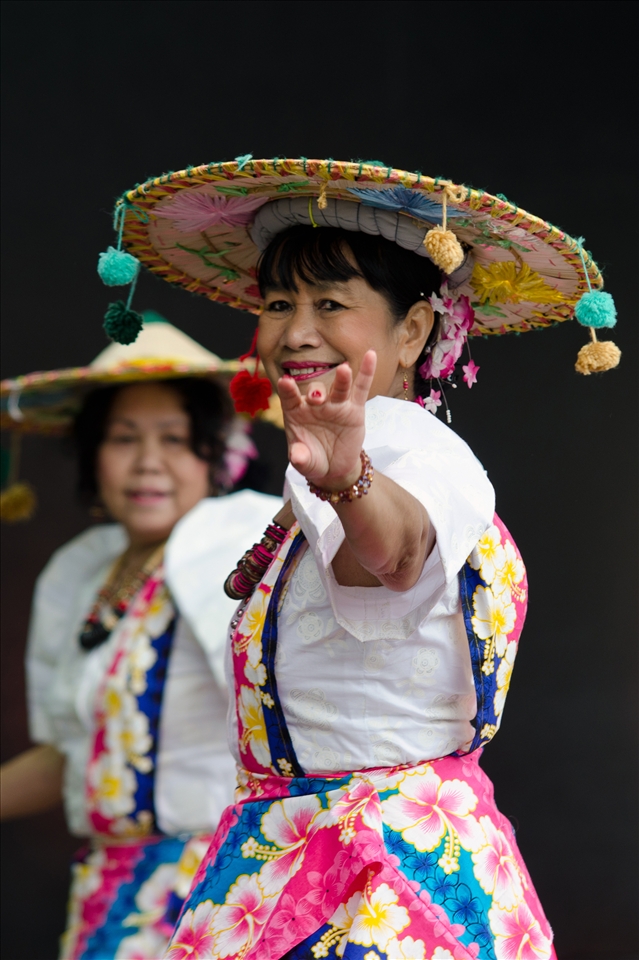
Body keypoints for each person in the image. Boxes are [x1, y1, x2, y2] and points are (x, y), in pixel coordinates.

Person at [97, 158, 620, 959]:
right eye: (279, 304)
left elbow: (396, 554)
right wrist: (336, 475)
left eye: (330, 304)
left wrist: (350, 481)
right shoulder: (339, 463)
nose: (295, 330)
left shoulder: (416, 457)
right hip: (302, 859)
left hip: (379, 883)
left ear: (411, 330)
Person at [0, 314, 282, 960]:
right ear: (92, 454)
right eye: (123, 438)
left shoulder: (240, 552)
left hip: (216, 893)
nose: (147, 463)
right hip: (107, 893)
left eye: (175, 439)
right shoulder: (82, 574)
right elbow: (74, 755)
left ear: (220, 452)